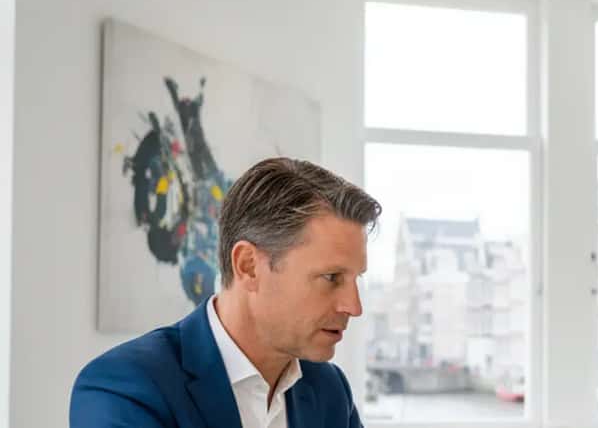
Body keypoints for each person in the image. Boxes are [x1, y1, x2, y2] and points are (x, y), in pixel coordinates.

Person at [70, 157, 381, 428]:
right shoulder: (124, 387)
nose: (354, 307)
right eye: (331, 277)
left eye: (357, 279)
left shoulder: (329, 389)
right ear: (248, 266)